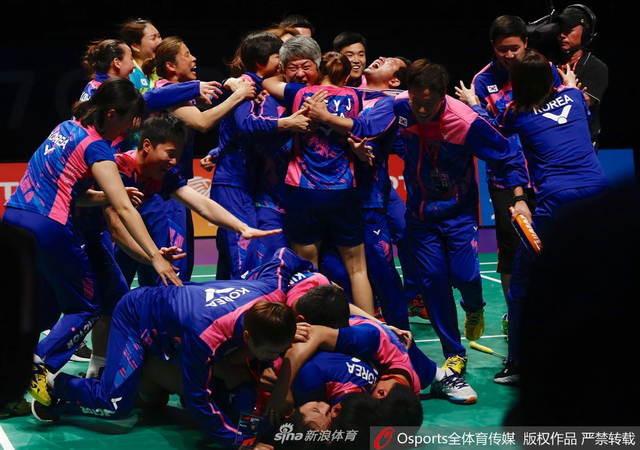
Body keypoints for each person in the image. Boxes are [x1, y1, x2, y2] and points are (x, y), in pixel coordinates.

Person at [1, 77, 182, 408]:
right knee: (86, 307)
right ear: (112, 114)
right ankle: (38, 363)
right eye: (128, 121)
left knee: (39, 308)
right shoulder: (96, 146)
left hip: (14, 219)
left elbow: (76, 193)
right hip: (49, 225)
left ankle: (7, 384)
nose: (130, 130)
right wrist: (155, 256)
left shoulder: (65, 128)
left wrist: (106, 196)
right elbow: (123, 209)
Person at [30, 248, 311, 448]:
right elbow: (199, 400)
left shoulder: (272, 292)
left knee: (159, 399)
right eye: (271, 353)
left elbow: (285, 255)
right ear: (247, 337)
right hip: (138, 317)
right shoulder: (206, 336)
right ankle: (57, 385)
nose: (276, 358)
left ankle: (117, 389)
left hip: (177, 325)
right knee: (115, 404)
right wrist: (241, 444)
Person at [394, 59, 531, 376]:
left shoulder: (466, 122)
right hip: (419, 214)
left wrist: (519, 198)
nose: (421, 109)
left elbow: (508, 155)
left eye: (428, 102)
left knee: (466, 277)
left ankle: (474, 307)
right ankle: (454, 352)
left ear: (443, 94)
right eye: (415, 101)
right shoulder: (401, 106)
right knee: (433, 282)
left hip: (458, 214)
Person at [483, 50, 610, 384]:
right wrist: (569, 83)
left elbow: (492, 130)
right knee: (598, 277)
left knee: (524, 282)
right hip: (599, 193)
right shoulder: (574, 97)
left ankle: (518, 363)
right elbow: (576, 99)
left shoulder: (517, 113)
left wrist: (473, 104)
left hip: (557, 200)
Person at [113, 36, 256, 287]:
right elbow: (202, 122)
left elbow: (212, 96)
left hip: (174, 185)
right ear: (170, 65)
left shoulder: (183, 92)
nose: (194, 59)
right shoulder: (168, 93)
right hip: (163, 191)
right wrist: (238, 96)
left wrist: (230, 83)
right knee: (172, 267)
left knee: (178, 263)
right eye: (187, 54)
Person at [454, 15, 562, 325]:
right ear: (493, 46)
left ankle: (554, 308)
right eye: (503, 49)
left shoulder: (544, 69)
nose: (510, 55)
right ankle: (516, 315)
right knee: (512, 246)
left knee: (555, 241)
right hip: (503, 177)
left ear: (526, 42)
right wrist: (475, 108)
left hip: (545, 171)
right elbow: (489, 132)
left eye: (515, 48)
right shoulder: (482, 81)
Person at [262, 49, 375, 316]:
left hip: (304, 191)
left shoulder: (300, 93)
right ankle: (373, 328)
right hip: (343, 190)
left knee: (308, 270)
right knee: (358, 269)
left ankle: (313, 329)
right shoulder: (355, 96)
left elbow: (267, 82)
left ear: (317, 71)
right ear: (346, 76)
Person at [211, 31, 310, 280]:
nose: (283, 61)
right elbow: (246, 125)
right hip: (233, 182)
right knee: (243, 256)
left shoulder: (258, 87)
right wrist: (287, 123)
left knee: (230, 256)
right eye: (278, 56)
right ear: (260, 61)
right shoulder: (245, 85)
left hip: (244, 181)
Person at [552, 4, 608, 150]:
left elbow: (578, 106)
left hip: (580, 145)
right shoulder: (548, 63)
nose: (562, 35)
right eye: (560, 30)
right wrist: (573, 92)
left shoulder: (596, 67)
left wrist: (566, 91)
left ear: (586, 32)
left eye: (569, 30)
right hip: (549, 142)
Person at [118, 18, 162, 93]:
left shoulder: (157, 70)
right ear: (135, 46)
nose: (160, 42)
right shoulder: (130, 73)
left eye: (159, 36)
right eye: (153, 38)